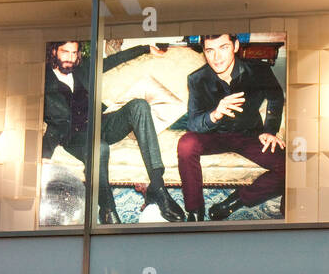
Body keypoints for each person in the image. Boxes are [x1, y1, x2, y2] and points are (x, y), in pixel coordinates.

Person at [42, 39, 185, 224]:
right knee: (99, 148)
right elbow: (46, 121)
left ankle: (158, 187)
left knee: (139, 105)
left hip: (101, 122)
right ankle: (107, 209)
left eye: (74, 53)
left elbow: (115, 59)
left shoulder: (83, 68)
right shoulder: (43, 79)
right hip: (74, 136)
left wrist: (146, 48)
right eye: (65, 52)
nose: (70, 58)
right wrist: (44, 153)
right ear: (54, 51)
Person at [178, 33, 285, 221]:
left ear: (235, 46)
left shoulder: (259, 70)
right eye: (210, 50)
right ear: (204, 51)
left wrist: (270, 130)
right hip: (214, 136)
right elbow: (193, 123)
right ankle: (195, 212)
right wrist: (215, 114)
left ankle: (235, 201)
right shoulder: (197, 79)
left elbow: (276, 97)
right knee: (186, 144)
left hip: (249, 135)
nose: (216, 58)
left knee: (294, 168)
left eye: (223, 48)